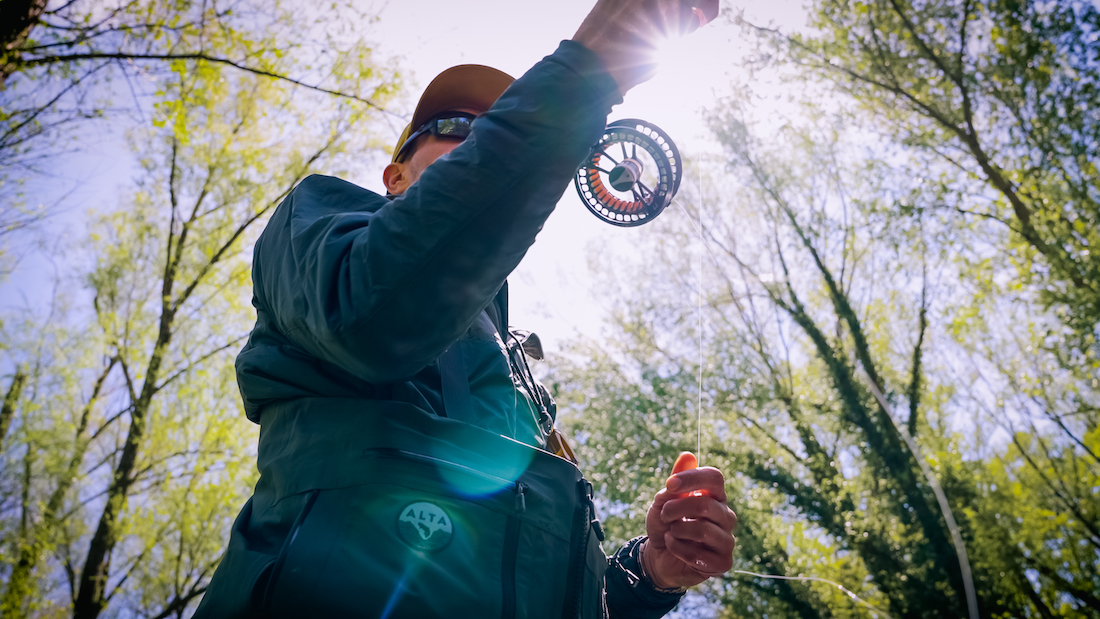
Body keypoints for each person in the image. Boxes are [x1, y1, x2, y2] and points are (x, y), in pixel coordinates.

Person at [194, 1, 735, 617]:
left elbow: (528, 574)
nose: (480, 138)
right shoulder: (318, 220)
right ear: (395, 175)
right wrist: (586, 76)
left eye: (494, 126)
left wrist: (649, 574)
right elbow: (372, 315)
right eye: (457, 126)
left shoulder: (518, 369)